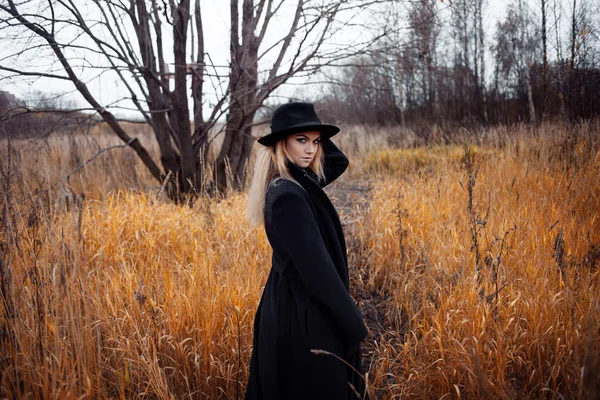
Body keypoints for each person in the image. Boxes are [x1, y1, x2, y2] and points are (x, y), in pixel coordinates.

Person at [244, 102, 369, 400]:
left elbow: (337, 162)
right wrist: (353, 324)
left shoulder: (297, 182)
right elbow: (318, 273)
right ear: (281, 142)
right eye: (301, 140)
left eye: (315, 141)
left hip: (293, 304)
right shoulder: (289, 195)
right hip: (303, 314)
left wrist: (311, 133)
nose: (311, 150)